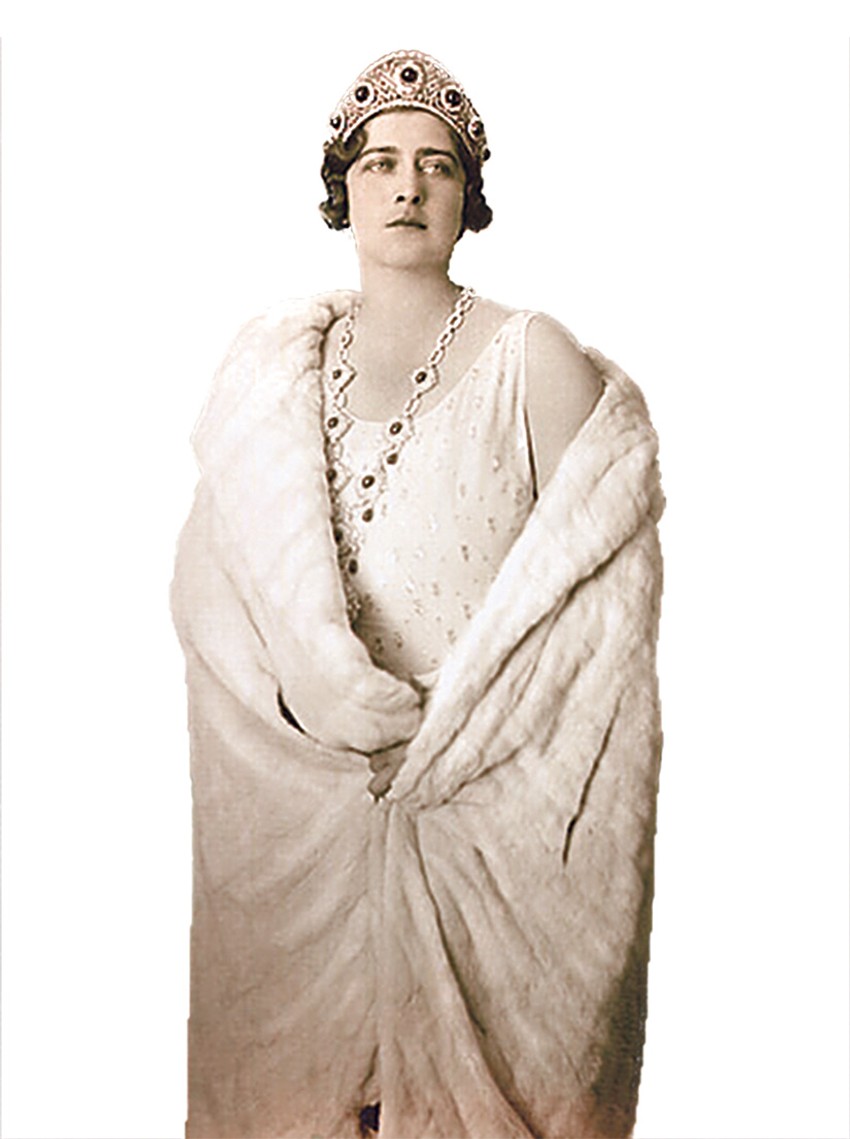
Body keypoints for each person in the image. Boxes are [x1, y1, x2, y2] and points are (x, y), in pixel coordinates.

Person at [172, 49, 664, 1139]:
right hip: (305, 822)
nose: (407, 187)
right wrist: (316, 721)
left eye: (436, 166)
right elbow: (216, 608)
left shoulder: (534, 362)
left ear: (467, 195)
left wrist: (454, 747)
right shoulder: (270, 381)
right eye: (381, 163)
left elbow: (594, 630)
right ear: (342, 189)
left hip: (488, 825)